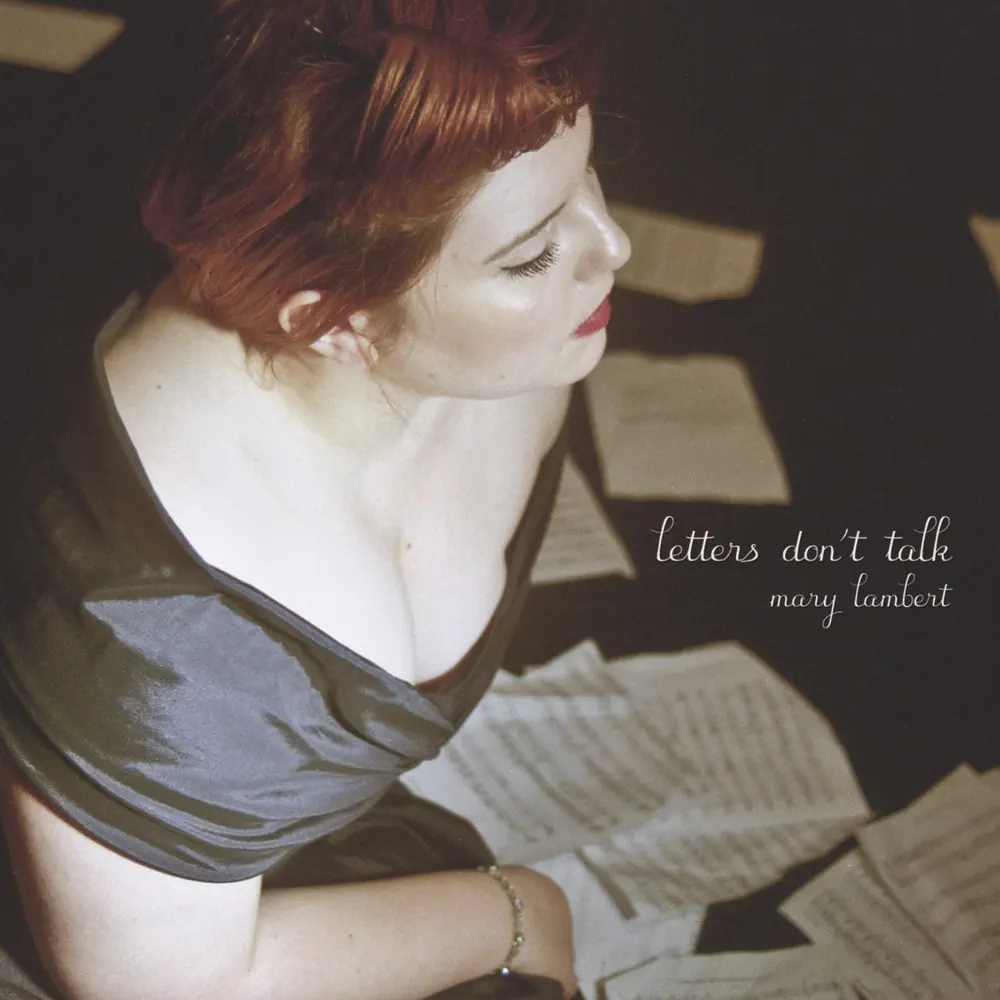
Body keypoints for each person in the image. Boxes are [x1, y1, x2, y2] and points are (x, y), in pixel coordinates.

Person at [0, 1, 631, 998]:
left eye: (587, 179)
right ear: (336, 324)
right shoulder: (154, 639)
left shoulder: (500, 340)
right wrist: (520, 910)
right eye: (530, 255)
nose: (614, 247)